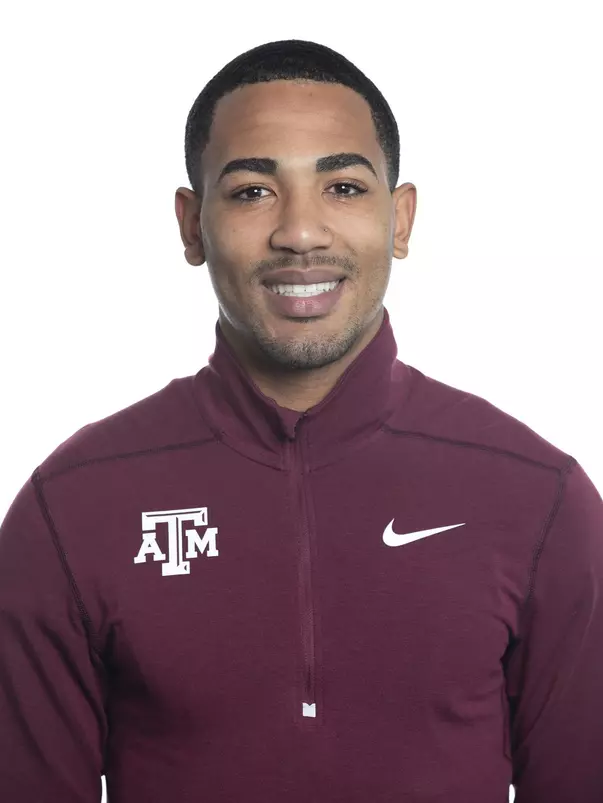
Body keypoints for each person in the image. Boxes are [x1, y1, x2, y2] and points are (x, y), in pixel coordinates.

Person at [0, 38, 601, 803]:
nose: (301, 232)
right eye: (252, 191)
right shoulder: (74, 505)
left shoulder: (538, 498)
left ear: (401, 217)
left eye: (344, 187)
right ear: (191, 225)